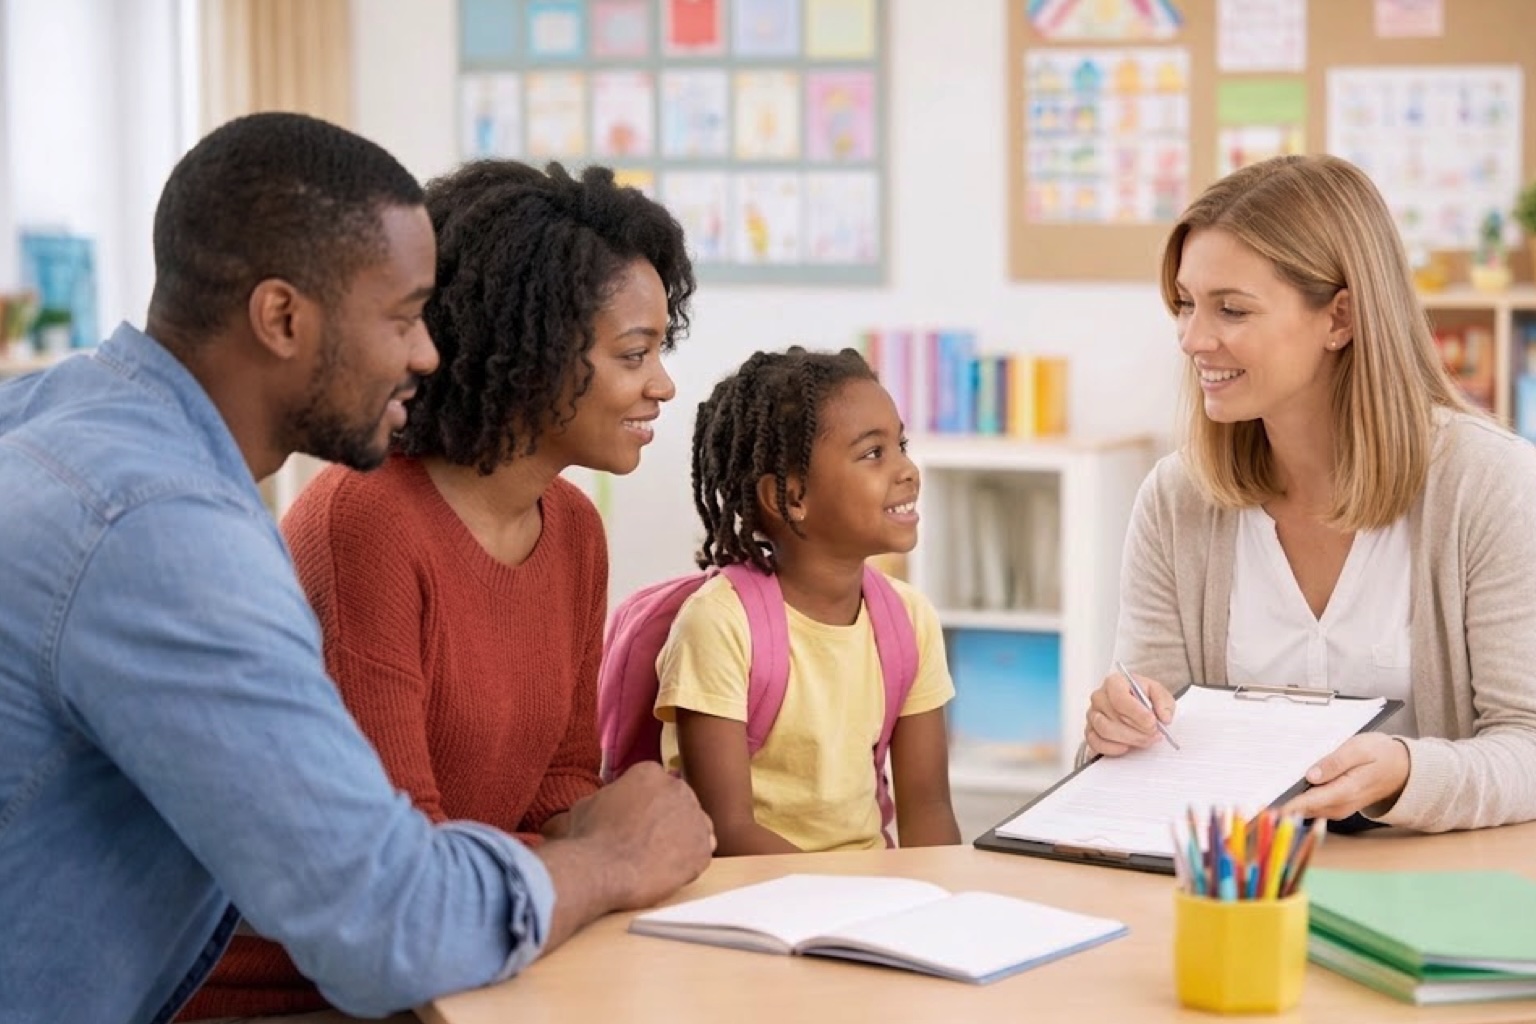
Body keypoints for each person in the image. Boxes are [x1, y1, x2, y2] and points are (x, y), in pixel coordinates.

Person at [0, 112, 713, 1024]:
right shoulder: (166, 535)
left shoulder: (64, 415)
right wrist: (611, 859)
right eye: (403, 319)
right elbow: (388, 926)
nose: (428, 353)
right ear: (283, 318)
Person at [182, 158, 696, 1018]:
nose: (662, 384)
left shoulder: (573, 528)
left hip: (470, 954)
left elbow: (559, 785)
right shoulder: (364, 522)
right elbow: (402, 869)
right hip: (300, 993)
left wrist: (623, 830)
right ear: (529, 355)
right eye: (633, 354)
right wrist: (609, 853)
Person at [1082, 154, 1536, 832]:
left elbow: (1528, 745)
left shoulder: (1490, 484)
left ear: (1340, 318)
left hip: (1436, 877)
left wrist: (1409, 772)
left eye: (1231, 309)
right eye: (1184, 305)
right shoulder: (1177, 500)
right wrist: (1115, 734)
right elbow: (1147, 759)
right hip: (1241, 877)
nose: (1192, 339)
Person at [656, 347, 962, 855]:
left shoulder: (910, 620)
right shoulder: (719, 623)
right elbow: (727, 832)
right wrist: (834, 894)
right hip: (754, 891)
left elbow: (928, 809)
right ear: (791, 497)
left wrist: (943, 896)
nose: (908, 469)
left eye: (901, 445)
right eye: (874, 453)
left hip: (868, 892)